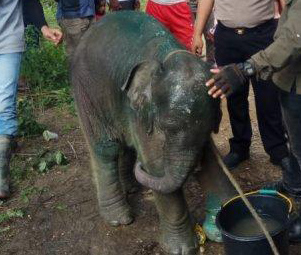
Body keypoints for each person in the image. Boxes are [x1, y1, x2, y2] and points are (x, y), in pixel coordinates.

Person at [205, 0, 301, 242]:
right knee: (297, 144)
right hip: (291, 76)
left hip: (291, 68)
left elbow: (295, 38)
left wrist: (247, 67)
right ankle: (294, 184)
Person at [192, 0, 289, 172]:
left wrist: (285, 29)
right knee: (233, 95)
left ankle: (277, 149)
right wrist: (197, 33)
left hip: (263, 34)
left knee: (268, 96)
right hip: (227, 37)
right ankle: (240, 147)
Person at [0, 0, 62, 199]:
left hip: (8, 41)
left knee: (5, 102)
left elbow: (28, 2)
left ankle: (1, 173)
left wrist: (43, 28)